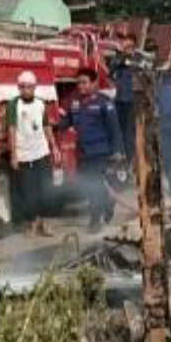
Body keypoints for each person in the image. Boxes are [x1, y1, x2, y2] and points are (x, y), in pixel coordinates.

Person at [57, 68, 123, 231]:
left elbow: (114, 129)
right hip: (83, 152)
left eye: (84, 82)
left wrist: (118, 152)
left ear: (94, 83)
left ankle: (95, 220)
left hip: (100, 151)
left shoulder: (104, 102)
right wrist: (55, 126)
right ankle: (108, 201)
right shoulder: (75, 103)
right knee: (87, 185)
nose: (81, 86)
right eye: (78, 83)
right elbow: (68, 121)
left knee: (95, 184)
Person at [6, 71, 60, 237]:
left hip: (42, 153)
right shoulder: (13, 105)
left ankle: (46, 224)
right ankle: (32, 224)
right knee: (29, 193)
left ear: (34, 87)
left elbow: (46, 127)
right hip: (24, 156)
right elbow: (12, 130)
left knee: (45, 190)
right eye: (22, 87)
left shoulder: (40, 104)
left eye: (29, 87)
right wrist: (14, 155)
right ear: (18, 88)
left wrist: (54, 147)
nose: (26, 90)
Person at [110, 34, 138, 161]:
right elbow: (112, 69)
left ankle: (130, 158)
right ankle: (120, 156)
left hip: (132, 100)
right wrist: (121, 57)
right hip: (119, 99)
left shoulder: (138, 59)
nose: (126, 48)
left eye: (129, 46)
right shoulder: (117, 59)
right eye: (124, 46)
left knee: (129, 132)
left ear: (133, 47)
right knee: (118, 130)